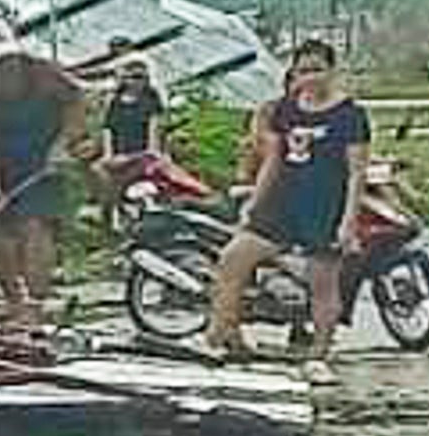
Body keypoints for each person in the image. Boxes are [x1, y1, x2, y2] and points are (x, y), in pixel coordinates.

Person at [206, 37, 366, 363]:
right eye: (303, 70)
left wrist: (348, 221)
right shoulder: (285, 109)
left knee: (323, 283)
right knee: (232, 259)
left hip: (324, 204)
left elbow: (356, 173)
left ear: (332, 71)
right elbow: (274, 160)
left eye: (317, 70)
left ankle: (319, 352)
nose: (310, 78)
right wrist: (256, 201)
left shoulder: (350, 115)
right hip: (283, 201)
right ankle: (223, 333)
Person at [0, 24, 84, 335]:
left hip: (45, 162)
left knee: (34, 226)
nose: (6, 69)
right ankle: (15, 301)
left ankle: (37, 305)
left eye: (10, 60)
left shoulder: (45, 75)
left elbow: (77, 105)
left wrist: (62, 145)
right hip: (5, 161)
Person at [92, 51, 168, 230]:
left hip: (140, 153)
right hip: (119, 153)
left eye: (141, 77)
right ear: (123, 79)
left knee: (118, 176)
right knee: (101, 172)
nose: (137, 81)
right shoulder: (115, 101)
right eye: (133, 77)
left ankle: (116, 216)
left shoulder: (151, 100)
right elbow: (108, 129)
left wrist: (152, 152)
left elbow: (154, 128)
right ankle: (111, 214)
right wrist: (108, 154)